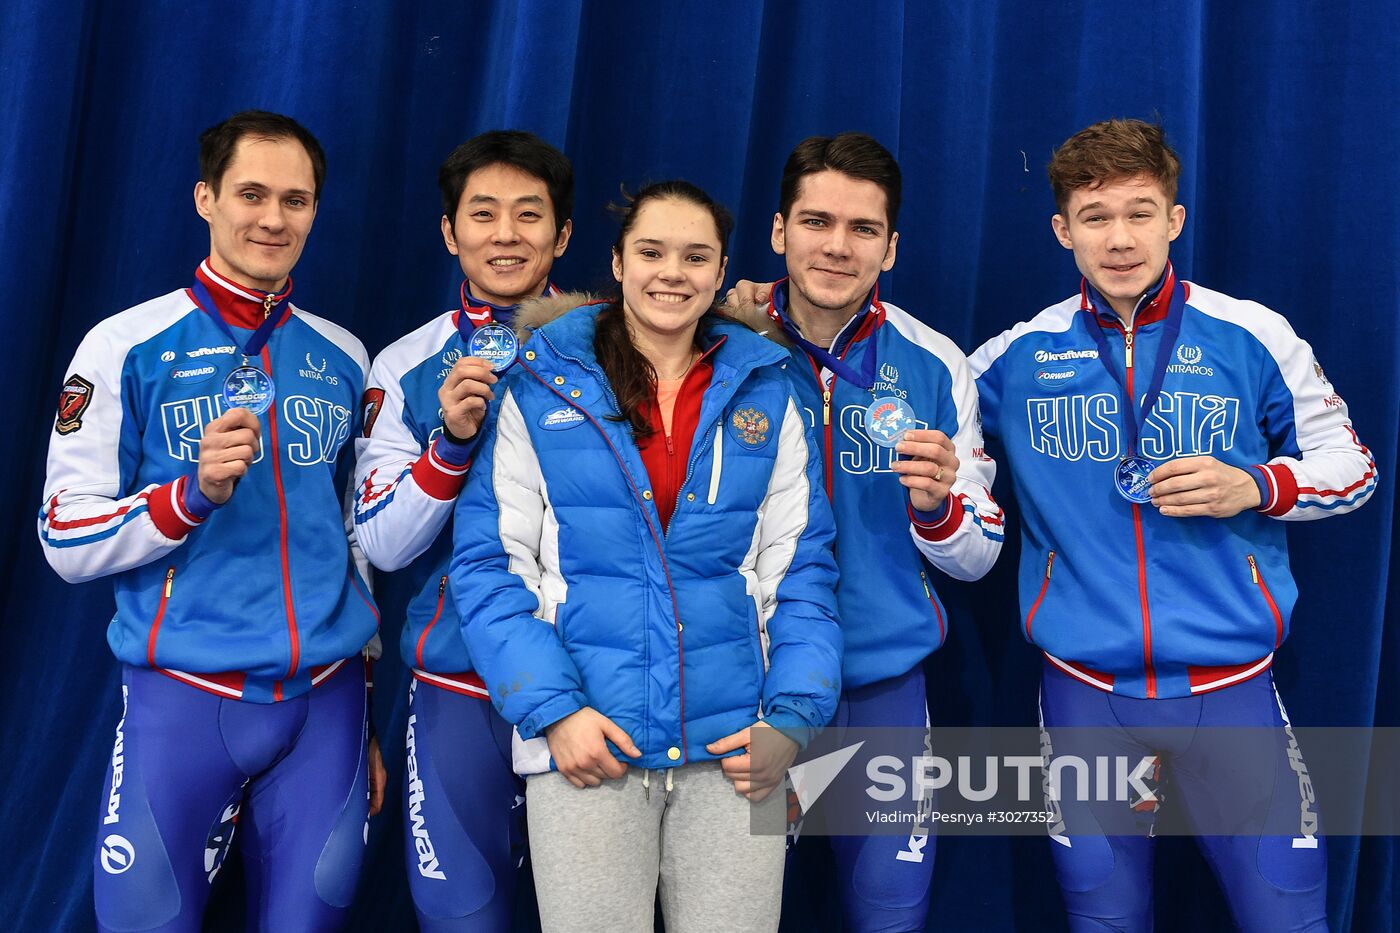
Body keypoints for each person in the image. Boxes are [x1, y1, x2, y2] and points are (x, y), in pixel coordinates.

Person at [968, 118, 1377, 931]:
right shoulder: (1011, 358)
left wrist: (1257, 483)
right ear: (1062, 230)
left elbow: (1355, 466)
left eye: (1140, 211)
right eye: (1095, 216)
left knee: (1290, 920)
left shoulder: (1253, 334)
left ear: (1174, 219)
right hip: (1085, 694)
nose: (1120, 238)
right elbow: (946, 457)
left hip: (1232, 691)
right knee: (1105, 922)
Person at [451, 180, 843, 933]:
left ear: (722, 271)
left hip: (734, 753)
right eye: (653, 252)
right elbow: (492, 569)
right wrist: (555, 712)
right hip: (591, 746)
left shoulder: (769, 389)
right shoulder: (536, 385)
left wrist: (790, 721)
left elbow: (802, 573)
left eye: (696, 257)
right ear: (618, 264)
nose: (673, 273)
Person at [37, 110, 382, 931]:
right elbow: (64, 535)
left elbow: (353, 536)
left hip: (324, 707)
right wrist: (186, 498)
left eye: (295, 200)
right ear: (205, 197)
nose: (273, 218)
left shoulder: (344, 354)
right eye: (251, 194)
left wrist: (366, 695)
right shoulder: (123, 344)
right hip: (184, 699)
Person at [727, 132, 1004, 932]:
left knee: (890, 916)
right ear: (779, 232)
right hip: (741, 687)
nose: (837, 247)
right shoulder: (714, 338)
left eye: (862, 229)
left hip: (881, 690)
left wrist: (939, 507)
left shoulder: (934, 360)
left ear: (891, 245)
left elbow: (979, 554)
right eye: (816, 222)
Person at [351, 130, 573, 930]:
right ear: (450, 233)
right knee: (460, 917)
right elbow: (382, 545)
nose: (506, 234)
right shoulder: (404, 363)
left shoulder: (619, 345)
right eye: (483, 214)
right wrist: (448, 443)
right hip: (455, 684)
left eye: (528, 214)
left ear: (564, 234)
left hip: (591, 684)